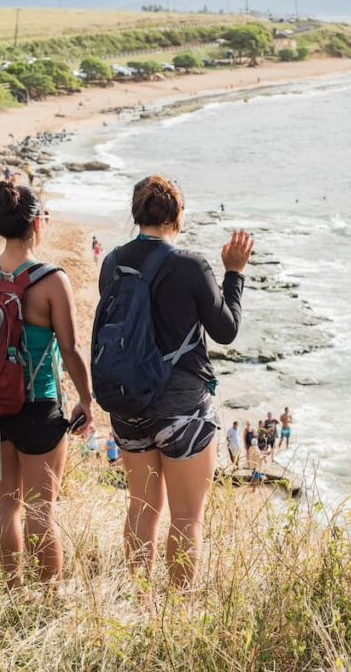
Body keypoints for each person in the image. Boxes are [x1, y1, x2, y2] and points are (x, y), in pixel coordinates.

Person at [101, 175, 253, 588]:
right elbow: (225, 331)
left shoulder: (112, 262)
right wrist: (234, 273)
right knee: (186, 519)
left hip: (128, 404)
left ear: (137, 214)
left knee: (141, 509)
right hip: (182, 408)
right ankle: (178, 613)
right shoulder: (190, 265)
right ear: (178, 216)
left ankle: (139, 603)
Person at [0, 181, 93, 588]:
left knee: (6, 503)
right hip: (38, 403)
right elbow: (71, 350)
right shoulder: (51, 280)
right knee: (43, 509)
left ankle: (13, 589)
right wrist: (87, 401)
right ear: (37, 223)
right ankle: (50, 596)